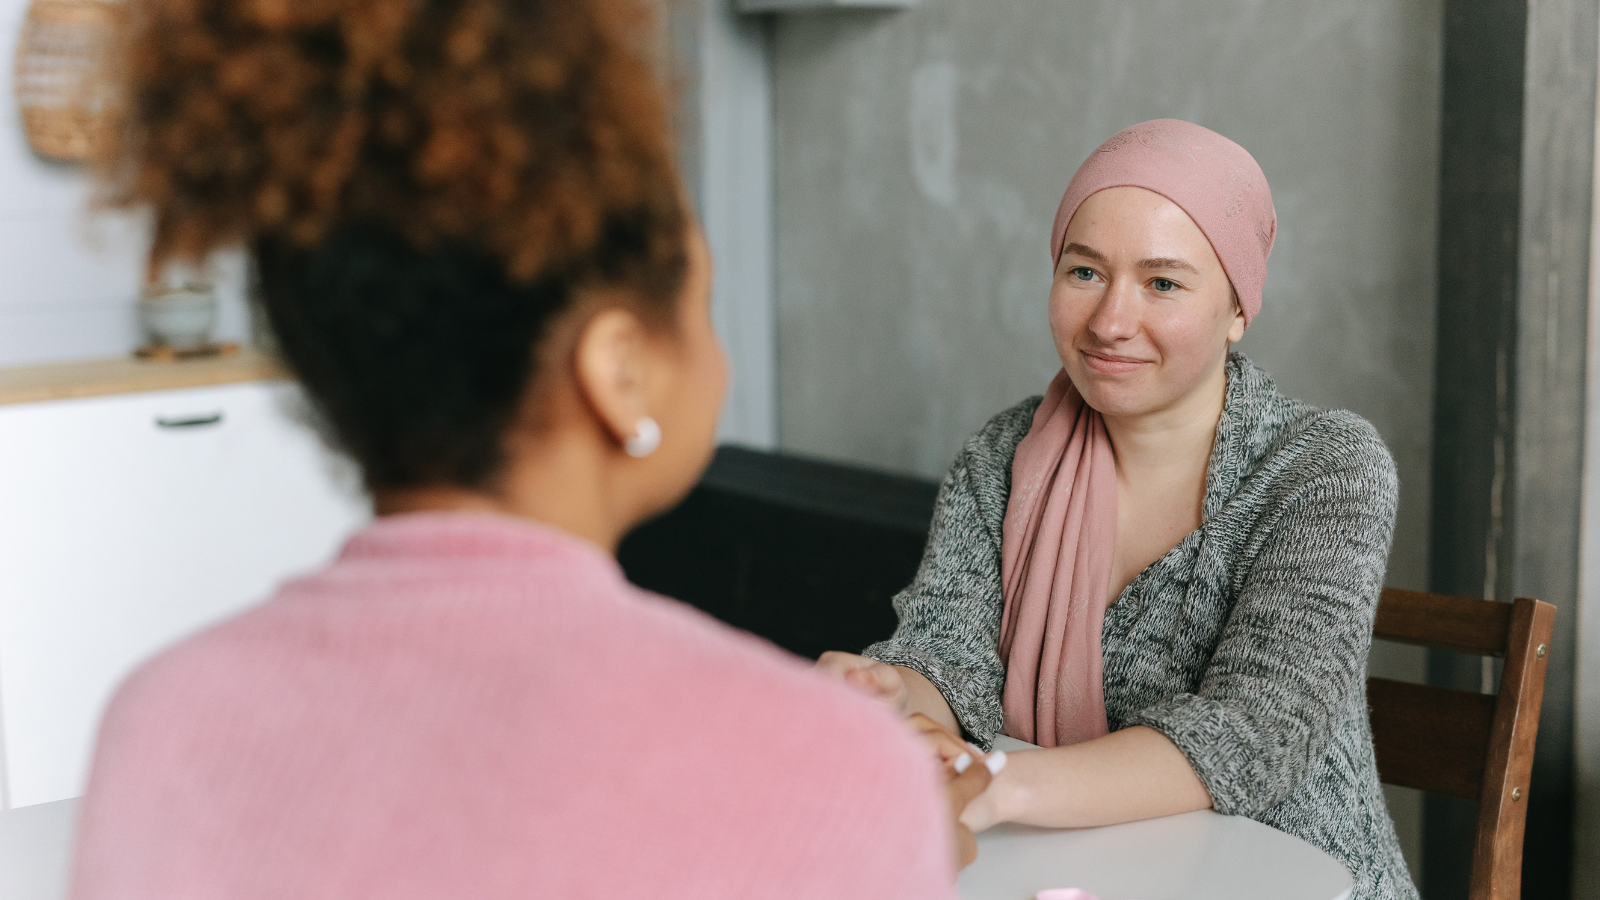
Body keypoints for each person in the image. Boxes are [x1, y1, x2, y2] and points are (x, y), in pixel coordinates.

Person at [67, 1, 994, 897]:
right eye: (699, 303)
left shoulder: (165, 726)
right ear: (618, 370)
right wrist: (895, 844)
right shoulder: (826, 770)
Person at [818, 119, 1417, 900]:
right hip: (1068, 879)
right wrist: (892, 691)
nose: (1109, 322)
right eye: (1085, 272)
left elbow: (1253, 734)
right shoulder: (1005, 454)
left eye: (1163, 283)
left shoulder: (1323, 467)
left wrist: (996, 785)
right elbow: (947, 657)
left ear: (1237, 309)